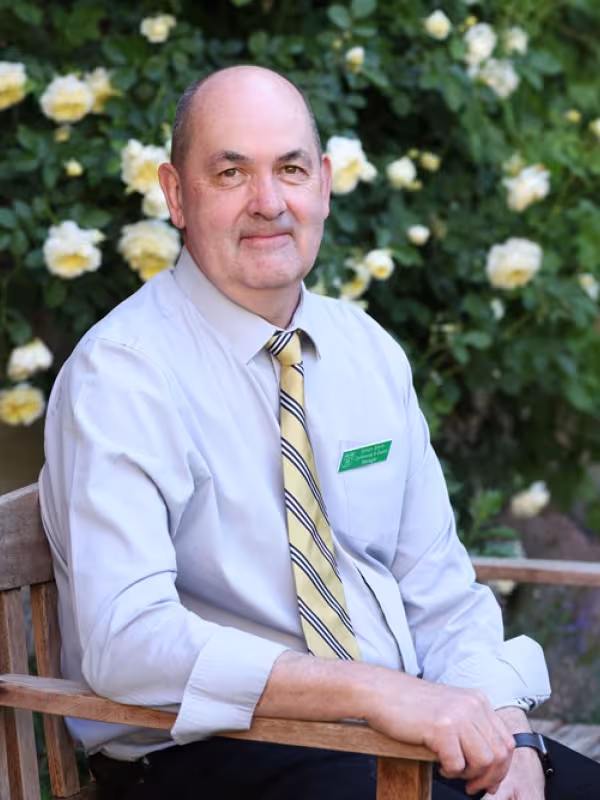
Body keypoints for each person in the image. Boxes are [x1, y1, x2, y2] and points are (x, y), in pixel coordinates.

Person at [39, 66, 600, 800]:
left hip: (394, 742)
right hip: (210, 757)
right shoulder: (122, 376)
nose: (268, 202)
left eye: (291, 169)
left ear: (325, 185)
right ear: (176, 194)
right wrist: (369, 691)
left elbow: (441, 593)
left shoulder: (366, 350)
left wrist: (514, 738)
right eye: (231, 171)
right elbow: (126, 641)